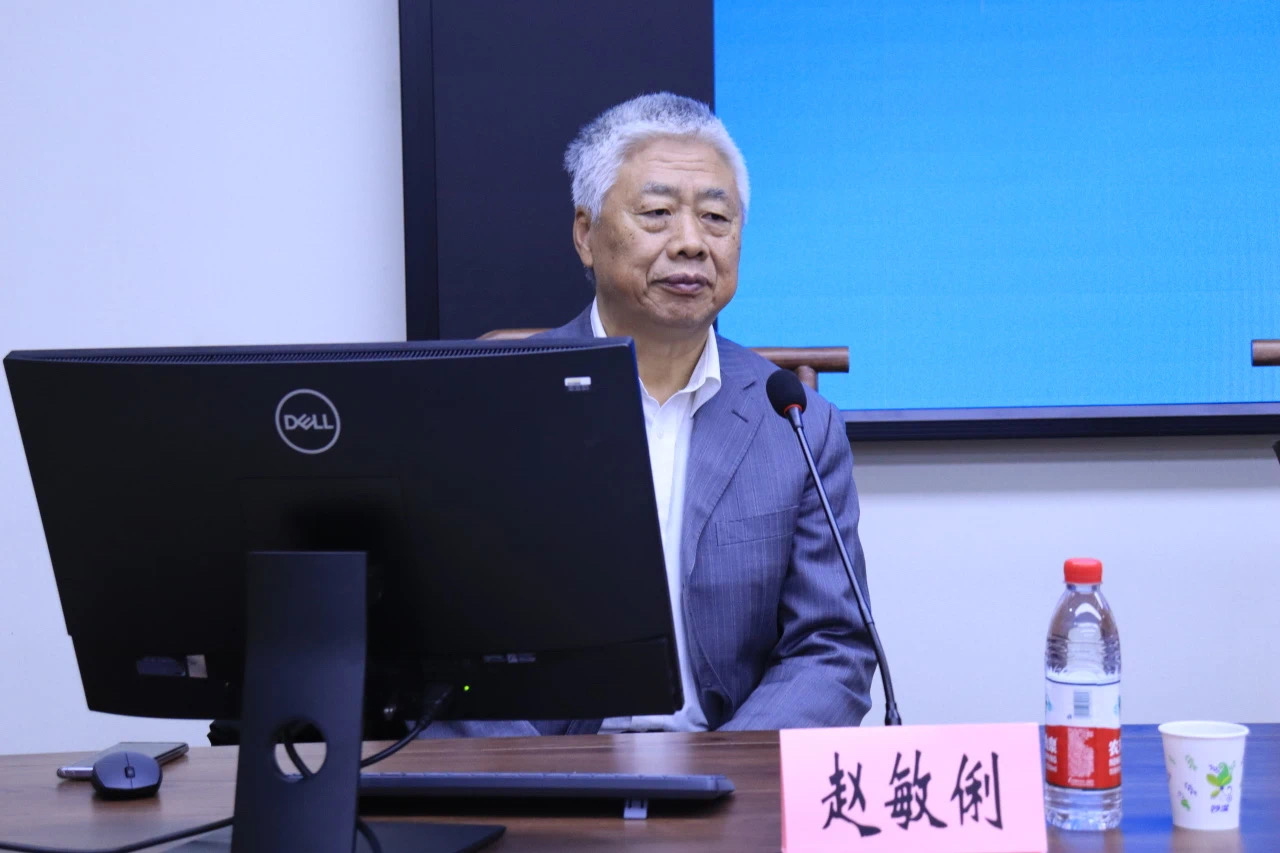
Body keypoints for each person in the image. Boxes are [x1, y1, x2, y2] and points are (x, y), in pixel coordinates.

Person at [423, 92, 877, 738]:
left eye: (716, 217)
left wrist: (730, 770)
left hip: (726, 768)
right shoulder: (489, 404)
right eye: (658, 213)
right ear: (586, 234)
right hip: (541, 773)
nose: (691, 243)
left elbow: (831, 647)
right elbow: (439, 646)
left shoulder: (795, 422)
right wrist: (537, 777)